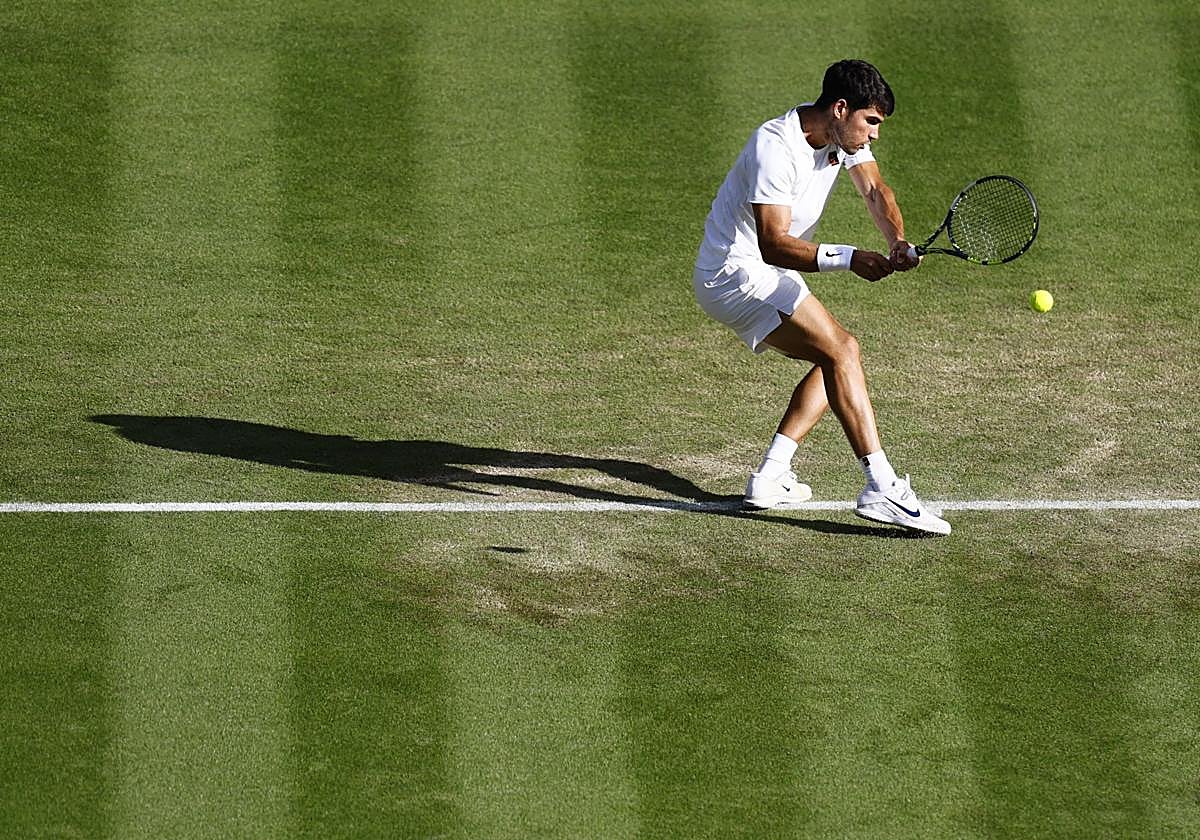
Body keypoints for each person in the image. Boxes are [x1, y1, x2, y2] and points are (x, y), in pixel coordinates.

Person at [692, 59, 950, 536]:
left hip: (759, 273)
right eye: (870, 122)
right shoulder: (776, 147)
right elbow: (774, 242)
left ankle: (770, 477)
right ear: (839, 108)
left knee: (835, 359)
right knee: (843, 351)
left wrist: (896, 239)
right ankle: (881, 486)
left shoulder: (838, 138)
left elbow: (875, 190)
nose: (874, 135)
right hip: (737, 273)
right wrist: (849, 258)